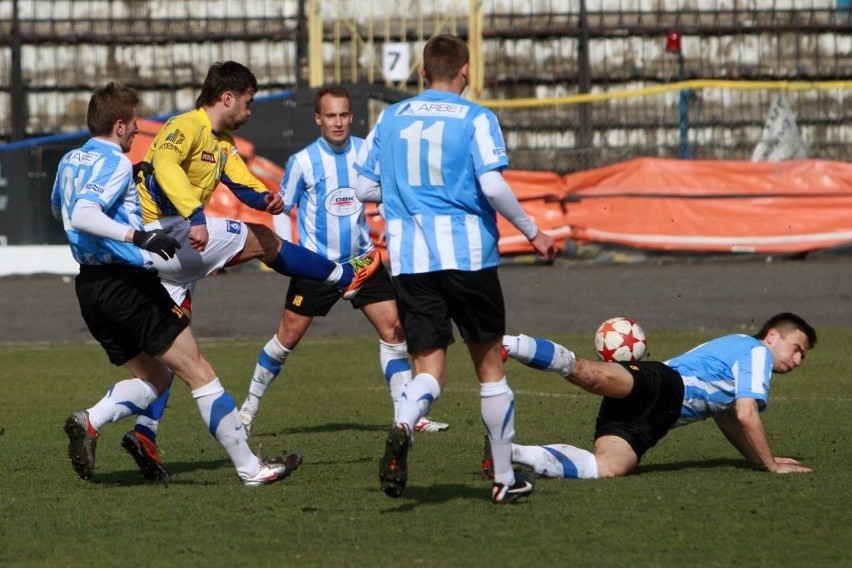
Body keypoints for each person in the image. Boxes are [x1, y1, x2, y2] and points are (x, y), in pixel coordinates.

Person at [119, 62, 381, 479]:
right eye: (249, 100)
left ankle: (128, 428)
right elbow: (166, 169)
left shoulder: (222, 143)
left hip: (170, 251)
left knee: (171, 348)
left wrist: (266, 199)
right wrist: (196, 215)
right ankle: (342, 276)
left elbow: (240, 181)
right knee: (261, 240)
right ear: (228, 97)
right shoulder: (183, 126)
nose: (251, 108)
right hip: (160, 237)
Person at [51, 82, 300, 486]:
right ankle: (251, 470)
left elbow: (60, 208)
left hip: (89, 288)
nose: (136, 133)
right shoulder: (114, 162)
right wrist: (138, 236)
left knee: (156, 379)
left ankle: (91, 421)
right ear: (118, 126)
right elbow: (82, 212)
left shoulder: (68, 162)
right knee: (199, 372)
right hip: (127, 283)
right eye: (133, 125)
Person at [354, 34, 559, 504]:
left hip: (411, 262)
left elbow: (364, 188)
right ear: (465, 70)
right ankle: (505, 479)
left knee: (428, 370)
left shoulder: (391, 116)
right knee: (490, 370)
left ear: (423, 73)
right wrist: (533, 232)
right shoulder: (476, 118)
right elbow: (491, 184)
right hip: (468, 258)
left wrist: (406, 195)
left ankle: (403, 424)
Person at [237, 85, 448, 434]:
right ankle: (247, 411)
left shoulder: (367, 151)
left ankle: (408, 416)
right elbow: (281, 208)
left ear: (351, 116)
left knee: (395, 331)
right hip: (317, 267)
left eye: (343, 115)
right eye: (330, 116)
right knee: (286, 340)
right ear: (318, 118)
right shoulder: (303, 161)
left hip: (362, 263)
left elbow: (384, 194)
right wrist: (287, 255)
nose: (338, 122)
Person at [488, 312, 816, 480]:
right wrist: (772, 466)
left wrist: (758, 460)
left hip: (656, 415)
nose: (798, 360)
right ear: (772, 336)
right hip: (665, 385)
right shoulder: (757, 351)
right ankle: (506, 342)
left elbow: (728, 415)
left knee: (609, 468)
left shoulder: (741, 349)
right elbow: (747, 414)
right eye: (797, 348)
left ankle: (508, 451)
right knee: (586, 373)